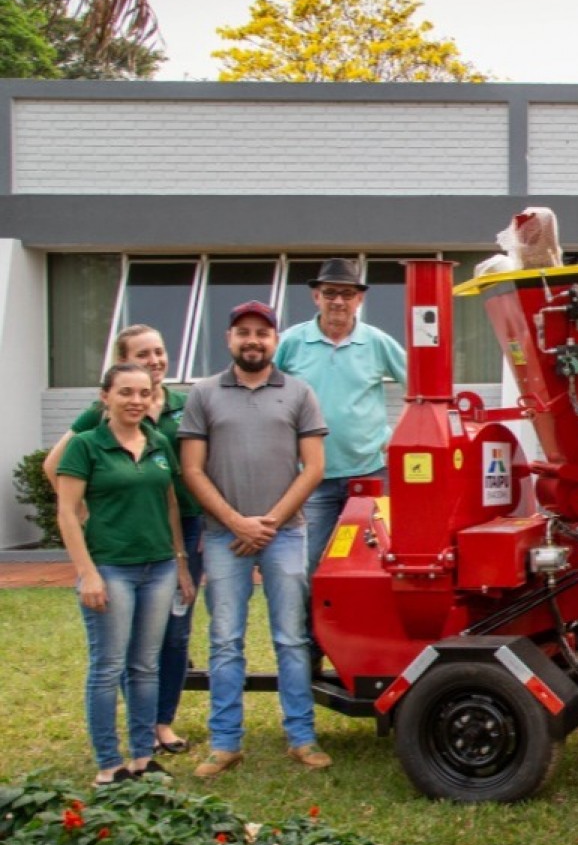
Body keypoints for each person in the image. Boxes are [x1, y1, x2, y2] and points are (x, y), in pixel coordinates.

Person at [177, 301, 332, 777]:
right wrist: (236, 523)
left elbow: (315, 467)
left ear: (274, 340)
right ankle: (225, 743)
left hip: (286, 534)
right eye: (243, 332)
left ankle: (301, 737)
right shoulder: (203, 394)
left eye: (261, 334)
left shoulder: (299, 392)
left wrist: (267, 522)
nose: (252, 341)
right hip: (225, 537)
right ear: (229, 339)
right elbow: (191, 470)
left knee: (291, 638)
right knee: (225, 641)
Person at [44, 325, 201, 756]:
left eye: (159, 351)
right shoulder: (99, 423)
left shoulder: (182, 408)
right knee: (115, 653)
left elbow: (181, 482)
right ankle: (116, 753)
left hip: (176, 535)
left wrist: (183, 554)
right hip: (120, 546)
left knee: (170, 639)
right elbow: (55, 469)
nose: (154, 361)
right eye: (142, 354)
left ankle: (157, 727)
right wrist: (92, 514)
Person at [273, 258, 407, 572]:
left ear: (360, 299)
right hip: (309, 478)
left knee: (374, 561)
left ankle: (365, 623)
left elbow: (421, 385)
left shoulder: (377, 342)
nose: (338, 301)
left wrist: (399, 435)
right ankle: (308, 624)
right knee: (308, 563)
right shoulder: (292, 342)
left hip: (370, 474)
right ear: (315, 296)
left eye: (347, 294)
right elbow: (265, 393)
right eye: (330, 292)